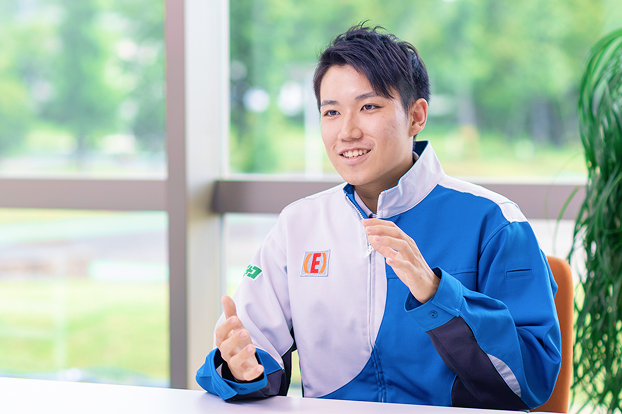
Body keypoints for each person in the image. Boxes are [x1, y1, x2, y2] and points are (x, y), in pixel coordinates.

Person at [196, 23, 561, 410]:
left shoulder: (496, 221)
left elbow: (530, 380)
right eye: (331, 112)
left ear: (416, 115)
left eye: (368, 107)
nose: (347, 131)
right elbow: (253, 355)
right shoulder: (298, 225)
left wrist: (436, 294)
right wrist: (241, 369)